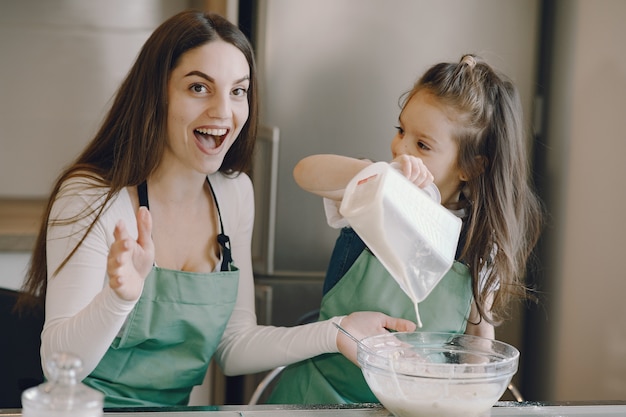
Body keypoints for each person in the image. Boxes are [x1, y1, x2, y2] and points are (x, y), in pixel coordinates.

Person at [16, 10, 416, 407]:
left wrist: (336, 331)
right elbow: (58, 365)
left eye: (238, 91)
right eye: (198, 88)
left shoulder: (234, 193)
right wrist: (119, 298)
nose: (224, 112)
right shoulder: (93, 196)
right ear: (157, 94)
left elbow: (234, 345)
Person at [267, 54, 544, 404]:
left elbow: (478, 339)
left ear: (471, 167)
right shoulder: (374, 194)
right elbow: (305, 171)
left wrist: (472, 395)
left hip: (414, 406)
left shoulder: (478, 246)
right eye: (401, 131)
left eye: (423, 145)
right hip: (320, 401)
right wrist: (374, 176)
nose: (402, 149)